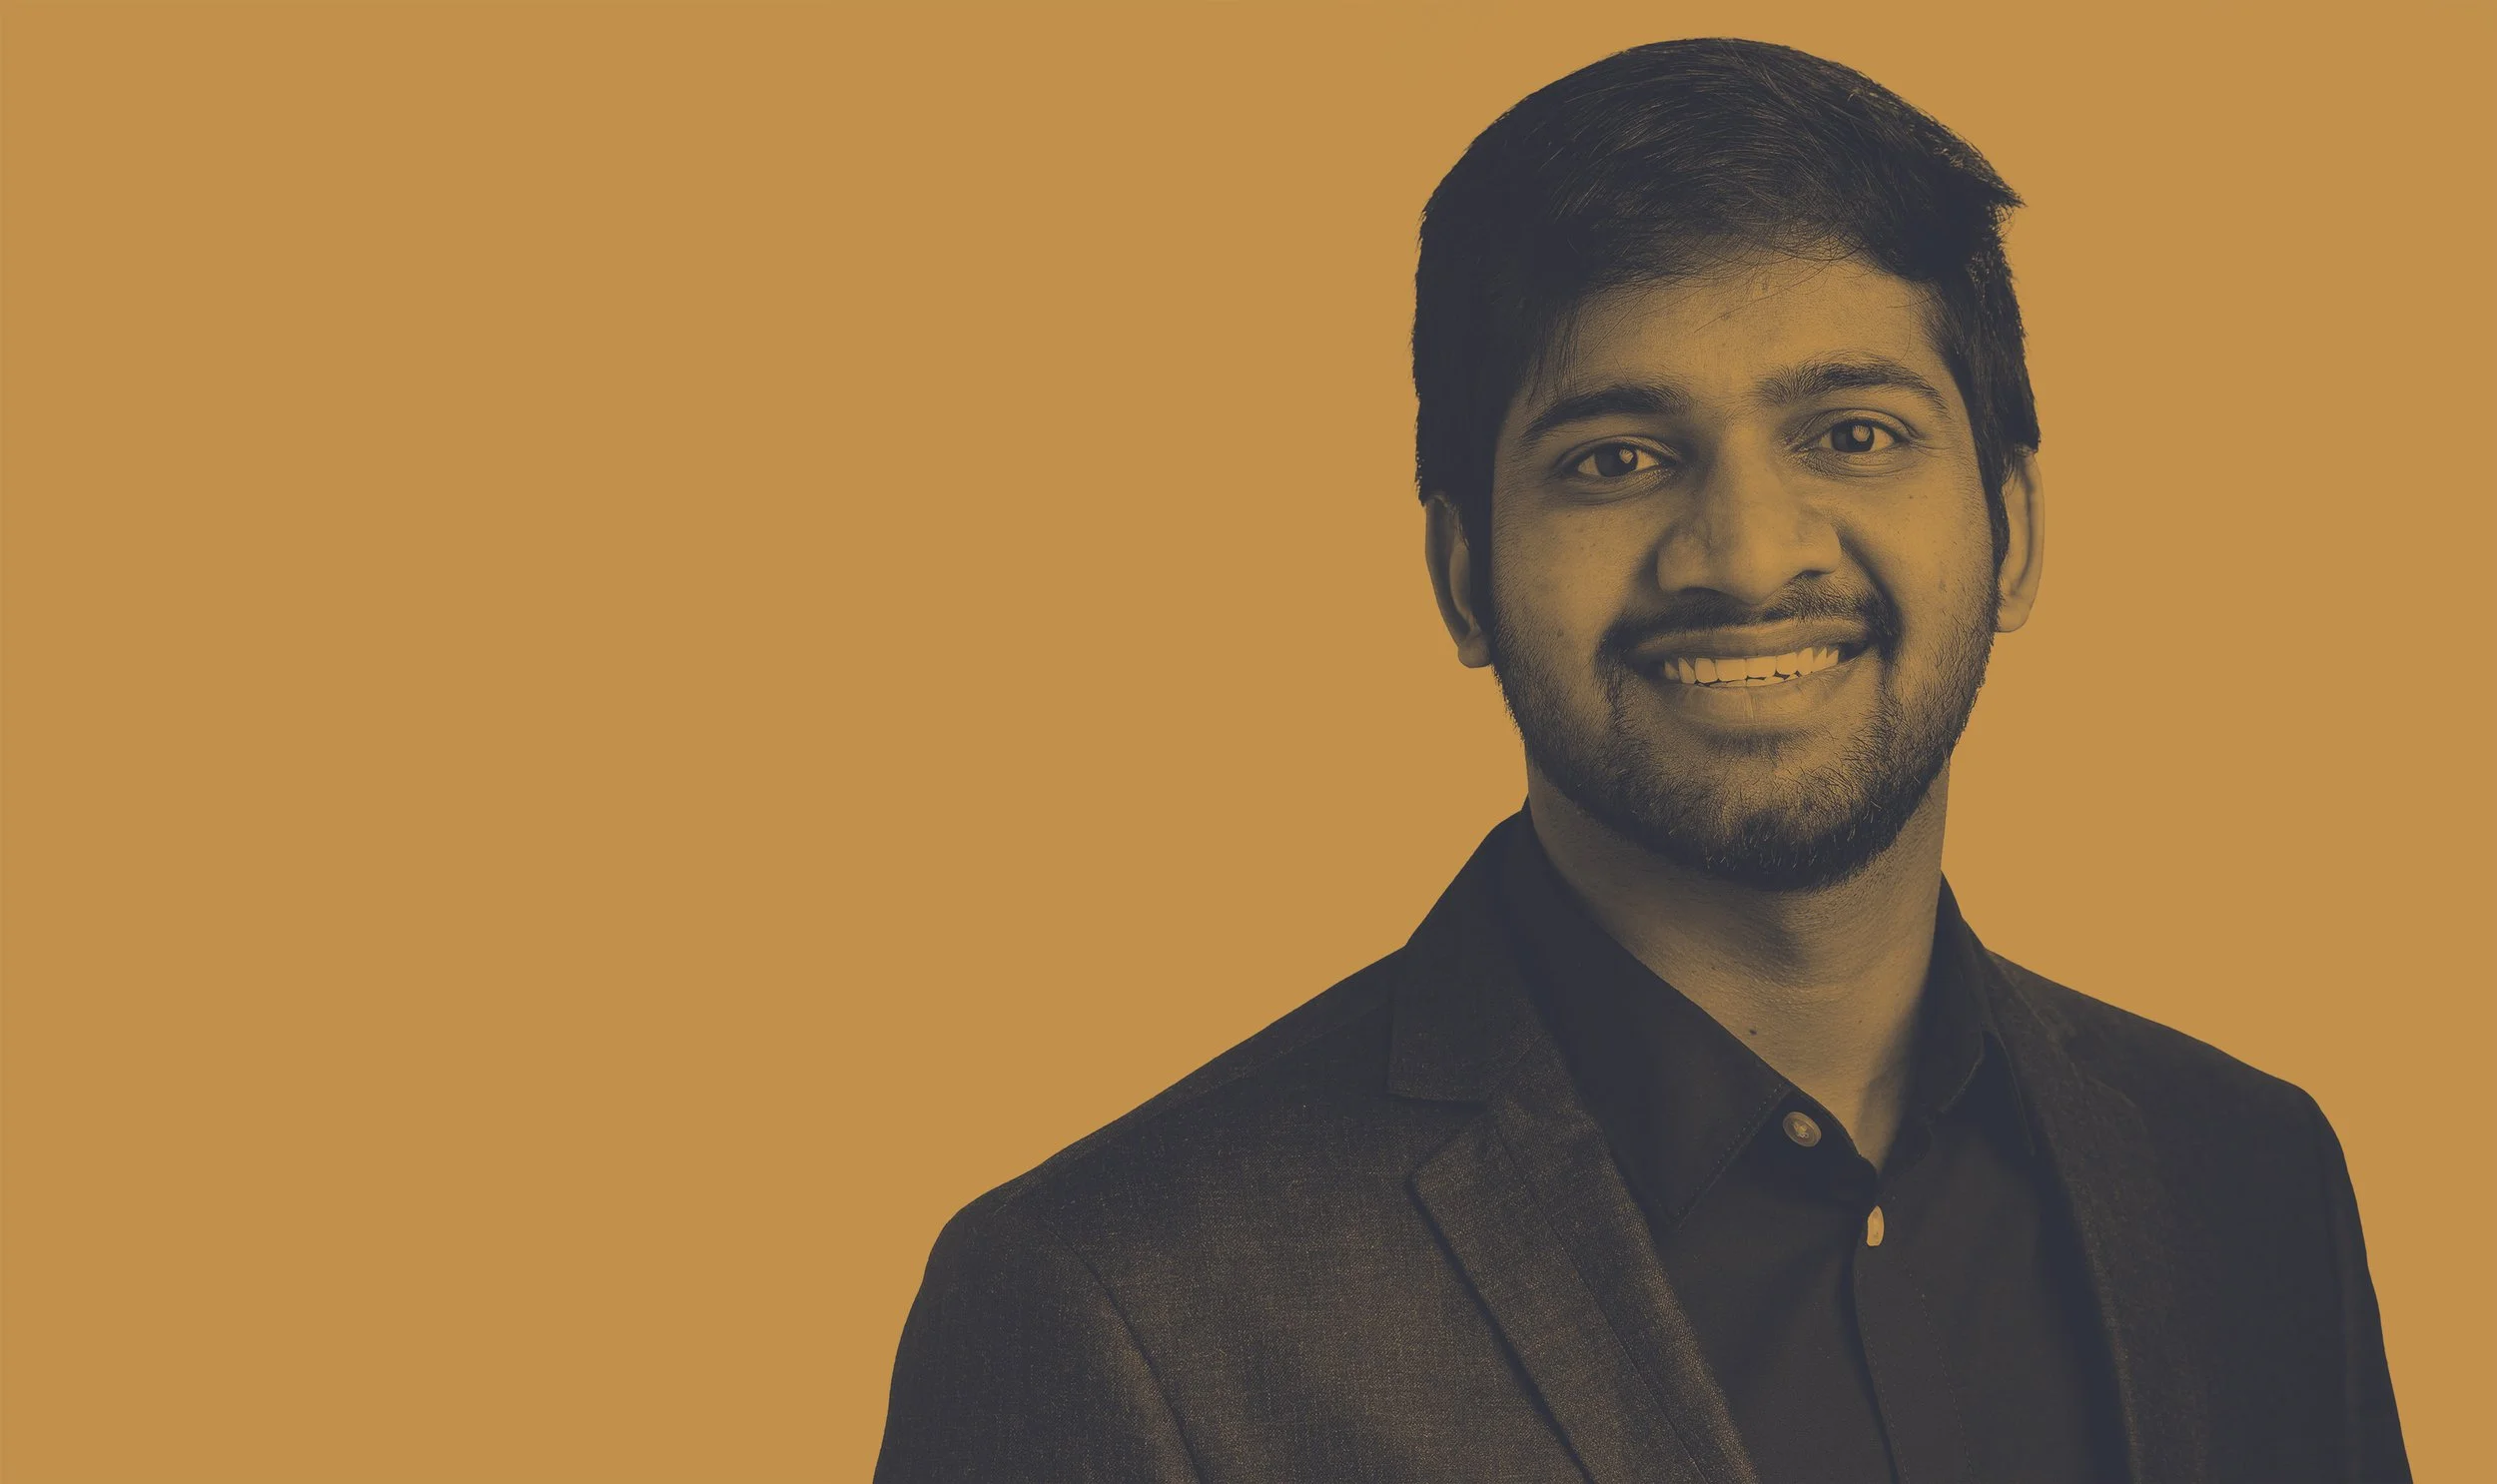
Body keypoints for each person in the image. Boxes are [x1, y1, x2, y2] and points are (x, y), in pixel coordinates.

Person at [874, 38, 2407, 1484]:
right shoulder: (1118, 1309)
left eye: (1854, 433)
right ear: (1463, 576)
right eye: (1616, 457)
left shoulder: (2247, 1185)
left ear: (2014, 531)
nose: (1747, 553)